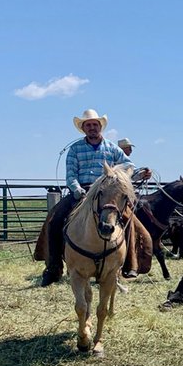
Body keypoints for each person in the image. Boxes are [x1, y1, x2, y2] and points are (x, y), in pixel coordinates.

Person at [40, 109, 151, 286]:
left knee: (129, 219)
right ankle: (54, 267)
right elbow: (71, 174)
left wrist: (137, 174)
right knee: (56, 219)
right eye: (88, 125)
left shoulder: (111, 148)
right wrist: (76, 189)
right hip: (82, 191)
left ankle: (129, 264)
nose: (92, 128)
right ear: (83, 128)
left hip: (107, 191)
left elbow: (129, 165)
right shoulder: (75, 149)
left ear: (100, 127)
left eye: (95, 125)